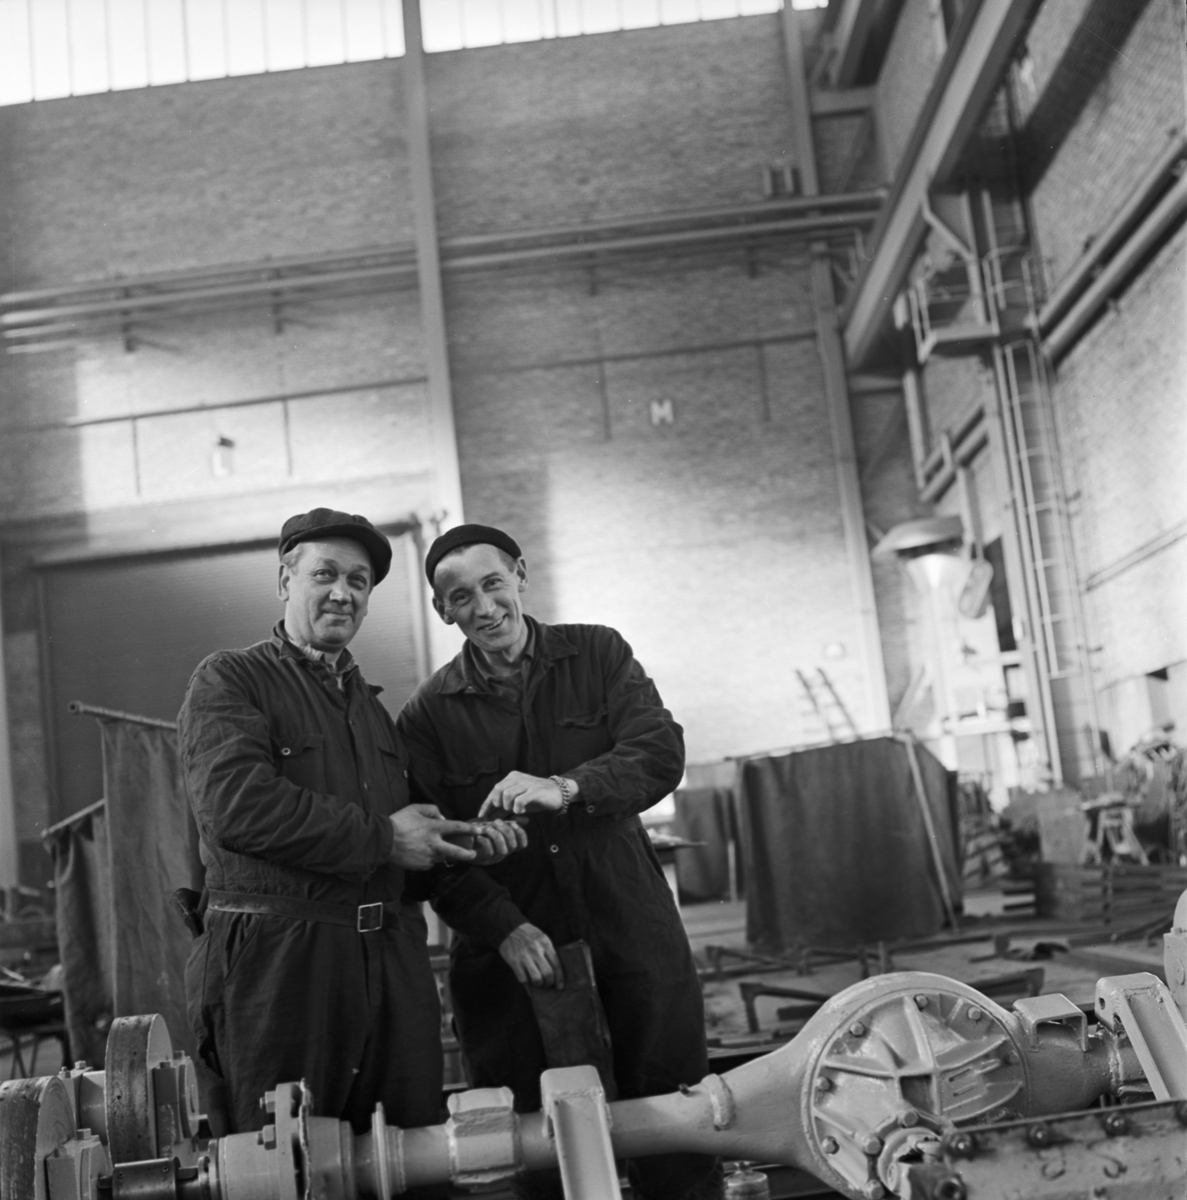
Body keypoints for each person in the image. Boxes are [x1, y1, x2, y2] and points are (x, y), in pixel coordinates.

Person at [397, 523, 718, 1200]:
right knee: (537, 1140)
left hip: (626, 921)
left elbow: (658, 751)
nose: (484, 607)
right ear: (441, 610)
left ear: (519, 574)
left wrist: (565, 788)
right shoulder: (426, 716)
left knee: (675, 1116)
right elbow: (431, 856)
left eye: (492, 584)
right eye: (461, 597)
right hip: (515, 952)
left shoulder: (597, 653)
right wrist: (504, 927)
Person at [179, 508, 524, 1135]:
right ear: (285, 581)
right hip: (281, 967)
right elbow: (236, 807)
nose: (343, 592)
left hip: (390, 963)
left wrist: (459, 845)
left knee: (410, 1151)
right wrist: (388, 837)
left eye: (358, 581)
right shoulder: (231, 679)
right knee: (288, 1161)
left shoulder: (373, 712)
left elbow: (405, 852)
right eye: (325, 574)